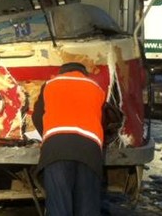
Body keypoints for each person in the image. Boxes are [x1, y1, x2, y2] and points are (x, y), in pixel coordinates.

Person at [32, 62, 107, 216]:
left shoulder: (50, 84)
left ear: (62, 72)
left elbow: (37, 115)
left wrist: (48, 135)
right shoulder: (96, 87)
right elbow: (103, 120)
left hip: (56, 151)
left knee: (59, 207)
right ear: (84, 72)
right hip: (89, 152)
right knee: (87, 208)